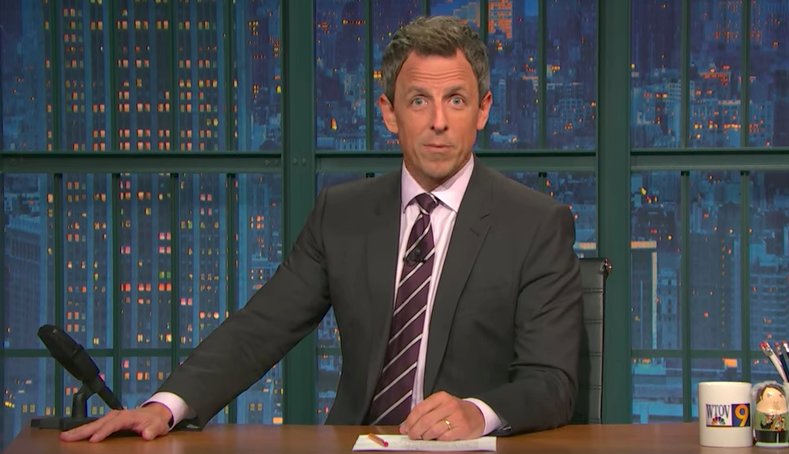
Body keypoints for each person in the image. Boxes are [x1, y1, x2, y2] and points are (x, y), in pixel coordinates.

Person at [61, 15, 583, 443]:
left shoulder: (535, 224)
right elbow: (262, 327)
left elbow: (552, 382)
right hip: (357, 444)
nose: (439, 122)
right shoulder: (343, 213)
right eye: (419, 101)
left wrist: (477, 411)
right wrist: (166, 406)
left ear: (483, 110)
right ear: (389, 113)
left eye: (457, 100)